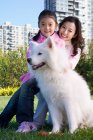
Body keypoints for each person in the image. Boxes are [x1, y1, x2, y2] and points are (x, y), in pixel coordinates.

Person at [0, 11, 84, 132]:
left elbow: (67, 66)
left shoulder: (72, 48)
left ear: (75, 34)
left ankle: (24, 121)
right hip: (42, 76)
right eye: (64, 27)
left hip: (57, 81)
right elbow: (33, 57)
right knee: (22, 90)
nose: (65, 32)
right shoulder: (46, 40)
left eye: (70, 30)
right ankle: (6, 119)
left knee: (26, 87)